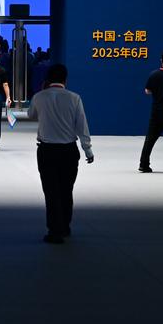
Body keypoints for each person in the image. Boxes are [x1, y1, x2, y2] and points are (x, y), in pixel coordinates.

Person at [28, 64, 95, 244]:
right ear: (65, 79)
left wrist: (41, 92)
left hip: (46, 150)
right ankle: (65, 226)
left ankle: (54, 230)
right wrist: (87, 149)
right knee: (66, 190)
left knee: (51, 192)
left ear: (47, 79)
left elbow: (31, 115)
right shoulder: (74, 98)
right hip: (69, 151)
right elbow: (82, 126)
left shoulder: (39, 97)